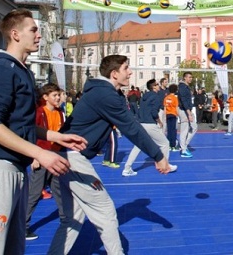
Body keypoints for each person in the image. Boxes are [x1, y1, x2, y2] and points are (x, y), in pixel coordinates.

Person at [0, 9, 87, 255]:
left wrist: (57, 137)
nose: (39, 35)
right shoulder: (1, 67)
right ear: (15, 34)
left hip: (14, 168)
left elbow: (19, 125)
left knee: (14, 248)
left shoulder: (20, 69)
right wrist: (41, 153)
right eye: (33, 30)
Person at [47, 54, 170, 254]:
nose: (130, 72)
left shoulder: (102, 92)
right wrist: (158, 156)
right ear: (114, 74)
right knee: (105, 211)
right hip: (73, 159)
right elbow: (132, 128)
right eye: (126, 68)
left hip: (65, 156)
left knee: (73, 219)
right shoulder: (105, 95)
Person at [25, 83, 67, 240]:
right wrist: (34, 156)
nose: (58, 98)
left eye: (58, 95)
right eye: (54, 95)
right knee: (34, 193)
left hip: (56, 156)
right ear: (45, 97)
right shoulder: (39, 112)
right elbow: (32, 134)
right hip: (42, 157)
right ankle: (23, 227)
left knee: (60, 191)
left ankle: (66, 219)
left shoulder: (60, 112)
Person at [122, 79, 177, 177]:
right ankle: (165, 165)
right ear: (153, 87)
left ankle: (127, 168)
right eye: (156, 84)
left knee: (138, 146)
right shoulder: (155, 97)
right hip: (150, 124)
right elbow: (154, 112)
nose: (158, 85)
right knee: (165, 143)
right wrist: (159, 121)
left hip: (141, 123)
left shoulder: (144, 97)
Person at [178, 72, 197, 158]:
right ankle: (183, 150)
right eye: (189, 77)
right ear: (184, 78)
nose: (190, 79)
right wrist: (189, 113)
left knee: (194, 127)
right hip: (184, 110)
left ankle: (184, 145)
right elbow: (184, 101)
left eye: (191, 77)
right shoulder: (182, 87)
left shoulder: (186, 87)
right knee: (184, 130)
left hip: (188, 110)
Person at [164, 84, 179, 150]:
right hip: (173, 114)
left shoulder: (166, 98)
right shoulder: (175, 98)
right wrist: (178, 115)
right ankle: (173, 145)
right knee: (173, 130)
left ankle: (168, 144)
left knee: (169, 130)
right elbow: (176, 107)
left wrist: (164, 116)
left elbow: (165, 107)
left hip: (167, 114)